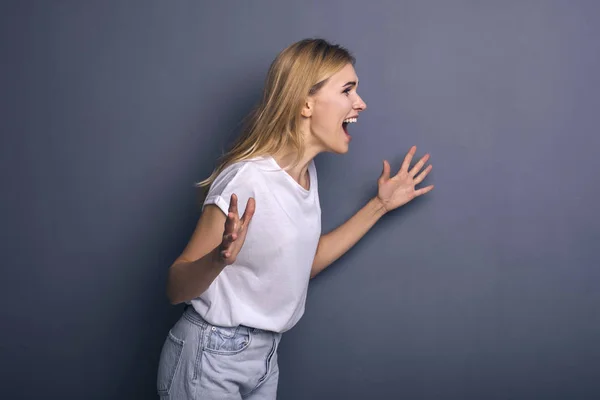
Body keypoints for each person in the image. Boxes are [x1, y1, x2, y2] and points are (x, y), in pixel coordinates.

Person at [156, 38, 434, 400]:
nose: (360, 103)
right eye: (347, 90)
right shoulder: (248, 179)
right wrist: (218, 259)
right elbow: (176, 287)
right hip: (210, 357)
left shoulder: (305, 175)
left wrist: (379, 206)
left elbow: (300, 266)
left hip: (264, 357)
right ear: (306, 103)